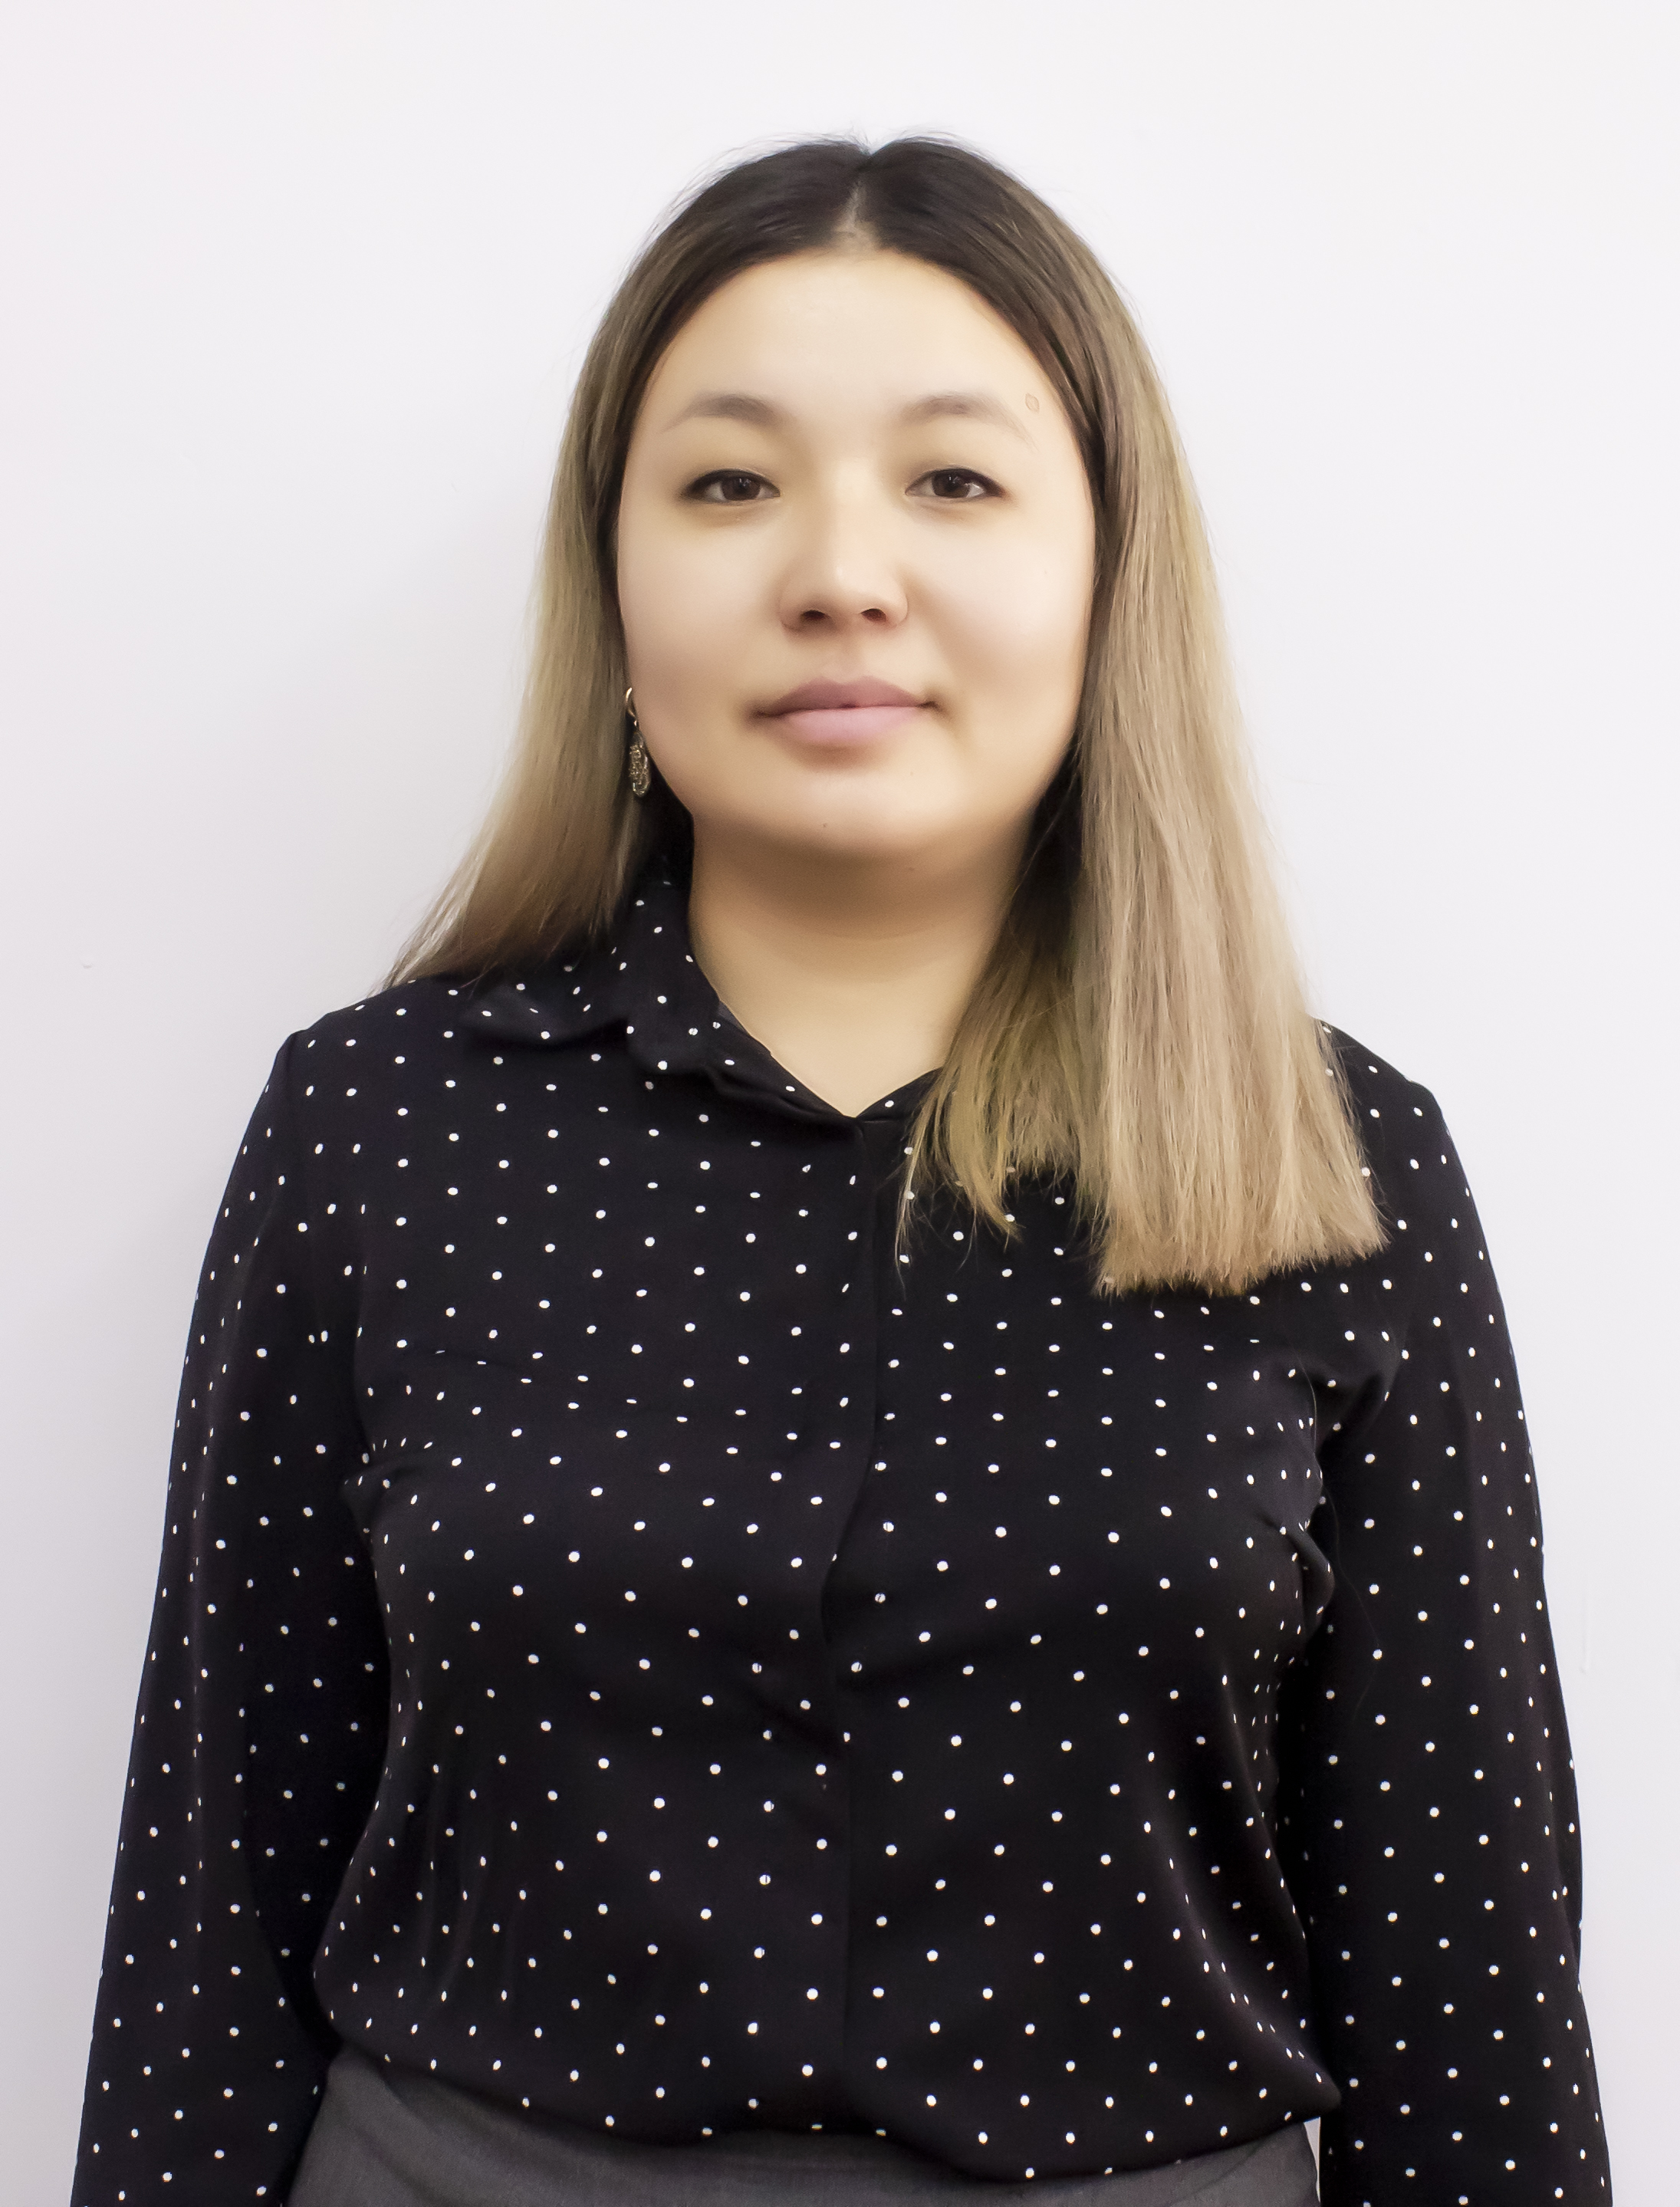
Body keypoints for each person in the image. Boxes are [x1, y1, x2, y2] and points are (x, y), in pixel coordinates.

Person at [72, 138, 1610, 2206]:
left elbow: (1466, 1976)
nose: (840, 573)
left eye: (954, 480)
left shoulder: (1335, 1162)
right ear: (614, 586)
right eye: (729, 483)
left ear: (1107, 574)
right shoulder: (382, 1125)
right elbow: (214, 1896)